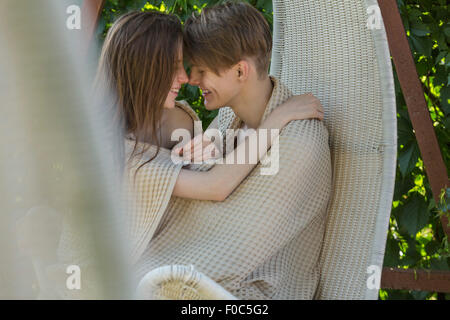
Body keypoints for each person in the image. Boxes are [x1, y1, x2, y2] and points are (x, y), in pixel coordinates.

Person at [133, 2, 333, 300]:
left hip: (246, 294)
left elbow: (237, 241)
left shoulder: (300, 141)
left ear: (240, 71)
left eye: (202, 70)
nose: (193, 79)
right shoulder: (230, 119)